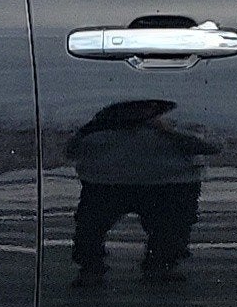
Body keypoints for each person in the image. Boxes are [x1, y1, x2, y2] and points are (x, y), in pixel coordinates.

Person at [66, 98, 216, 281]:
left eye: (147, 108)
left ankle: (162, 264)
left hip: (165, 185)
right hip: (109, 184)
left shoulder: (173, 128)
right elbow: (71, 150)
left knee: (171, 227)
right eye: (134, 108)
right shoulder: (98, 129)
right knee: (91, 226)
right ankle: (90, 266)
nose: (140, 113)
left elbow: (208, 147)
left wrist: (167, 131)